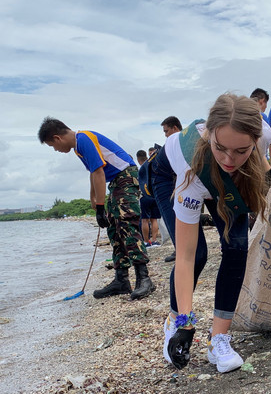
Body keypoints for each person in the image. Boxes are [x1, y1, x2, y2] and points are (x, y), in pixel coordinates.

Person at [159, 94, 271, 373]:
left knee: (236, 247)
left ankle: (219, 338)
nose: (228, 159)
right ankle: (174, 323)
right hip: (173, 175)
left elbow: (256, 155)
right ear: (210, 135)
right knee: (197, 254)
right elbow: (184, 257)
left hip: (227, 179)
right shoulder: (190, 173)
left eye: (240, 150)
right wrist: (186, 322)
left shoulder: (263, 135)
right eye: (221, 148)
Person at [38, 117, 155, 300]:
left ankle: (144, 278)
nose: (56, 150)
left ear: (57, 138)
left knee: (126, 225)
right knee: (113, 228)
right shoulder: (78, 148)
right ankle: (121, 280)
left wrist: (101, 207)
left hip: (125, 176)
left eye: (52, 146)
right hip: (116, 182)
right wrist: (93, 198)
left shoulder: (84, 139)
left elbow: (99, 171)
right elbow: (94, 173)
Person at [157, 117, 183, 262]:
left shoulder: (176, 142)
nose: (165, 135)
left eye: (166, 131)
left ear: (174, 128)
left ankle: (180, 248)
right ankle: (180, 247)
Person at [136, 149, 161, 248]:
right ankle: (154, 240)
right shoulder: (151, 165)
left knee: (145, 220)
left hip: (144, 196)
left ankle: (146, 241)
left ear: (138, 159)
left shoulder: (141, 169)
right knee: (154, 219)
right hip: (154, 195)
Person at [249, 88, 271, 162]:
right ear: (262, 101)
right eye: (266, 103)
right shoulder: (262, 117)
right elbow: (270, 137)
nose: (266, 106)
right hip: (262, 160)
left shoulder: (243, 115)